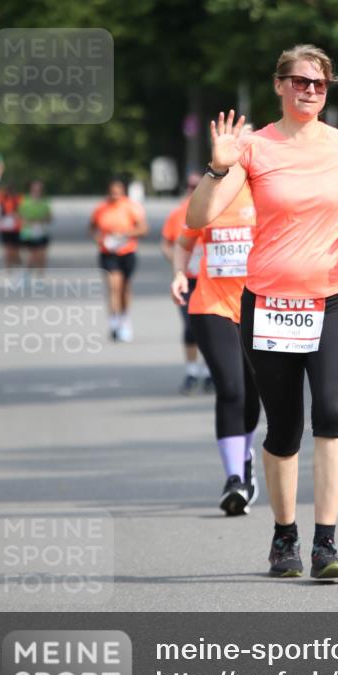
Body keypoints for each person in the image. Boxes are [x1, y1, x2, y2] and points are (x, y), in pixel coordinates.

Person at [186, 44, 338, 579]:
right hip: (269, 304)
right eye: (298, 81)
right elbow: (199, 218)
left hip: (335, 297)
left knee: (333, 414)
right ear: (279, 85)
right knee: (284, 428)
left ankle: (326, 545)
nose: (308, 91)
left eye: (318, 83)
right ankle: (284, 537)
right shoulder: (253, 148)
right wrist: (215, 168)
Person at [171, 177, 261, 515]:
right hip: (211, 305)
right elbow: (184, 242)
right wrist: (180, 273)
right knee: (231, 389)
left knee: (253, 395)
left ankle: (245, 457)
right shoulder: (206, 197)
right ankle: (234, 477)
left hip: (259, 308)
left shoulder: (266, 192)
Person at [160, 172, 211, 393]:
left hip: (211, 280)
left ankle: (210, 372)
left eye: (197, 186)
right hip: (188, 280)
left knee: (212, 328)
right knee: (190, 326)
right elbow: (167, 244)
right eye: (190, 187)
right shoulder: (178, 214)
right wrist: (178, 264)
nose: (193, 190)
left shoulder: (216, 208)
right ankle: (192, 371)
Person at [90, 178, 148, 342]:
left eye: (118, 191)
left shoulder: (131, 207)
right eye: (112, 191)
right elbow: (92, 227)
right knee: (114, 286)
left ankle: (124, 319)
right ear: (108, 191)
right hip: (108, 253)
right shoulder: (100, 209)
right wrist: (99, 238)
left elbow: (143, 229)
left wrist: (124, 235)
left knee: (125, 288)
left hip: (127, 252)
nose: (115, 195)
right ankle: (114, 322)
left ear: (123, 191)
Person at [18, 180, 52, 277]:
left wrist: (43, 220)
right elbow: (19, 216)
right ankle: (27, 271)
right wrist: (28, 221)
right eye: (35, 189)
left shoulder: (45, 202)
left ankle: (40, 274)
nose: (37, 192)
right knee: (33, 254)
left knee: (42, 254)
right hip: (28, 232)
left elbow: (49, 217)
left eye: (39, 190)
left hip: (42, 230)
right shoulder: (25, 202)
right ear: (31, 190)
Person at [0, 184, 22, 269]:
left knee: (15, 247)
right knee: (7, 247)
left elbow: (22, 210)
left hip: (15, 226)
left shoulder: (18, 198)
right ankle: (8, 266)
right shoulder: (1, 199)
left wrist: (16, 215)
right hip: (5, 227)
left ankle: (15, 261)